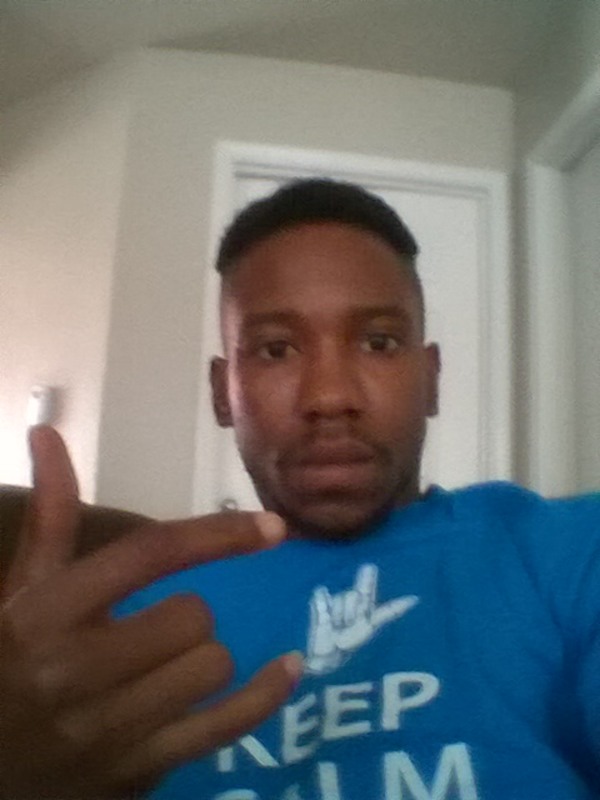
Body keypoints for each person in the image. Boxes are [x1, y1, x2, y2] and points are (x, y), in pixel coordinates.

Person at [1, 178, 599, 800]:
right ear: (222, 393)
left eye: (378, 342)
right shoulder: (115, 628)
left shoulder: (568, 553)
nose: (329, 397)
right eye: (276, 350)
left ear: (431, 379)